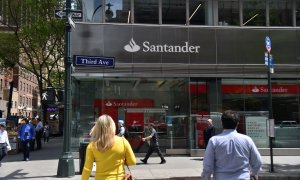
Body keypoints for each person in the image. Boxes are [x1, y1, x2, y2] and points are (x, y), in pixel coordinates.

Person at [201, 110, 262, 180]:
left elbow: (207, 166)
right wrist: (253, 174)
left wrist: (206, 178)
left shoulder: (214, 141)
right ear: (237, 123)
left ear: (222, 123)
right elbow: (258, 162)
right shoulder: (247, 140)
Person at [81, 114, 136, 180]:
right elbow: (132, 162)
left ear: (97, 128)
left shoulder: (91, 146)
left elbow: (87, 169)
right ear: (113, 126)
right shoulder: (123, 141)